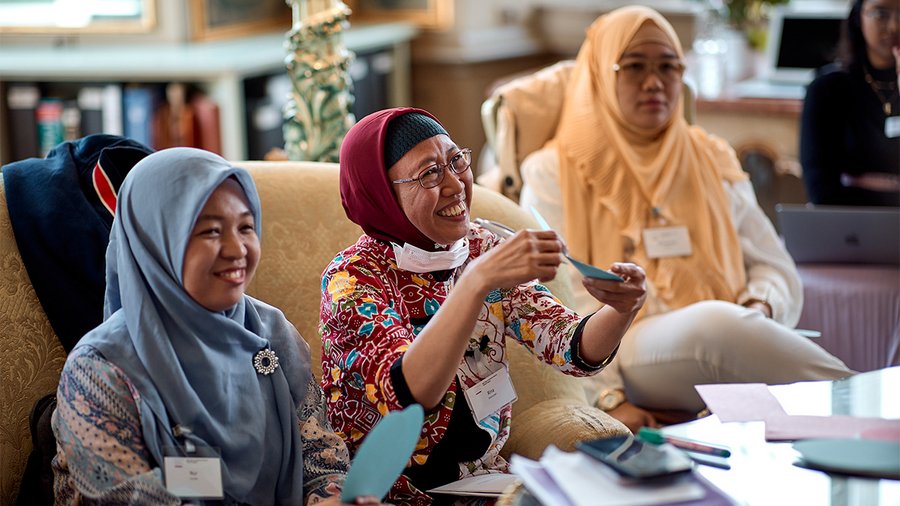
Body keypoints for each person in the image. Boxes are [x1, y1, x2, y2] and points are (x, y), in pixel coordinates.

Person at [517, 6, 853, 432]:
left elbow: (773, 264)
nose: (655, 82)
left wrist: (759, 306)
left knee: (727, 328)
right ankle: (864, 398)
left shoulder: (711, 155)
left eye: (669, 67)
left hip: (733, 333)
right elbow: (562, 295)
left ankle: (859, 414)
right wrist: (607, 395)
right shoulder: (553, 171)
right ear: (601, 74)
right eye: (634, 66)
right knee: (717, 324)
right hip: (622, 346)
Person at [320, 107, 648, 503]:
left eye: (456, 160)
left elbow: (568, 347)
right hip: (391, 494)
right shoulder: (352, 280)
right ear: (382, 196)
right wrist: (477, 282)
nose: (455, 184)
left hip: (484, 483)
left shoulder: (482, 246)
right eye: (429, 173)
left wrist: (621, 308)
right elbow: (411, 393)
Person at [52, 148, 375, 505]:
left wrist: (332, 499)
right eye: (210, 231)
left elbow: (321, 460)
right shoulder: (99, 370)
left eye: (246, 227)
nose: (237, 249)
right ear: (156, 241)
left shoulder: (273, 332)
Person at [800, 0, 900, 206]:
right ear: (858, 17)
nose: (895, 26)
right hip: (850, 228)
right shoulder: (827, 89)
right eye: (881, 14)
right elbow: (821, 191)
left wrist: (863, 183)